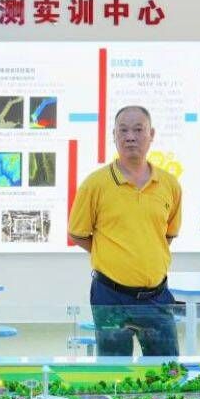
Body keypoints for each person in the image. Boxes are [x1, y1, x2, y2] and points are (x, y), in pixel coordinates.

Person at [68, 105, 182, 357]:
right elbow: (77, 233)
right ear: (114, 135)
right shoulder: (95, 185)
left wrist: (142, 253)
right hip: (110, 297)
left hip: (157, 296)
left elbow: (167, 234)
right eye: (123, 130)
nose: (130, 137)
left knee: (167, 370)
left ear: (151, 134)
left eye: (138, 130)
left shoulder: (169, 184)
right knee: (114, 371)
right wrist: (111, 252)